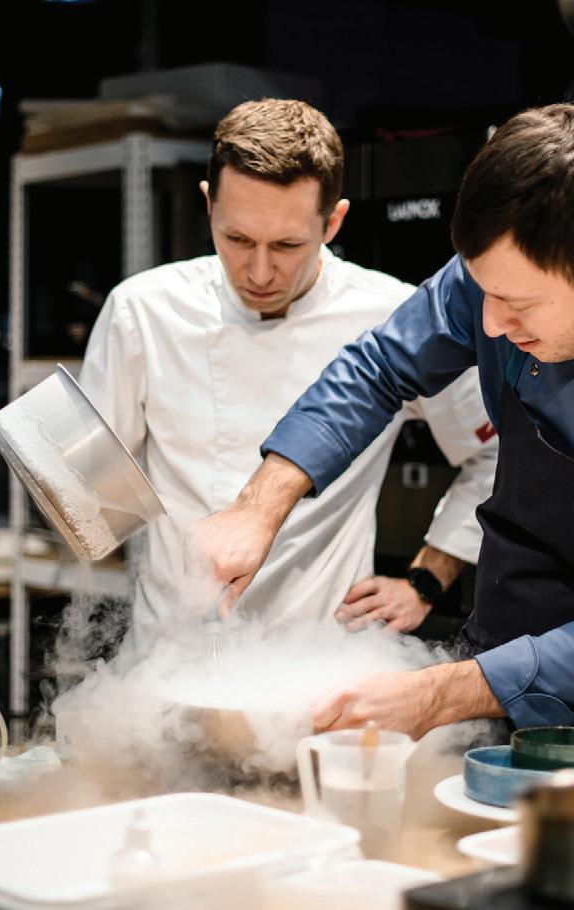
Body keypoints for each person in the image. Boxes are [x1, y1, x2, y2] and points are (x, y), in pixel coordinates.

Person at [192, 102, 574, 739]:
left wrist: (445, 692)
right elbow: (379, 367)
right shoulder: (495, 278)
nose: (489, 325)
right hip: (499, 669)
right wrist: (260, 505)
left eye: (517, 303)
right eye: (481, 291)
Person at [79, 98, 497, 643]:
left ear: (333, 221)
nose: (259, 272)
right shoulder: (142, 310)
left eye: (286, 245)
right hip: (169, 653)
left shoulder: (390, 317)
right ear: (208, 205)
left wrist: (425, 579)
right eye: (236, 239)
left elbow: (493, 454)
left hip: (319, 656)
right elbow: (93, 502)